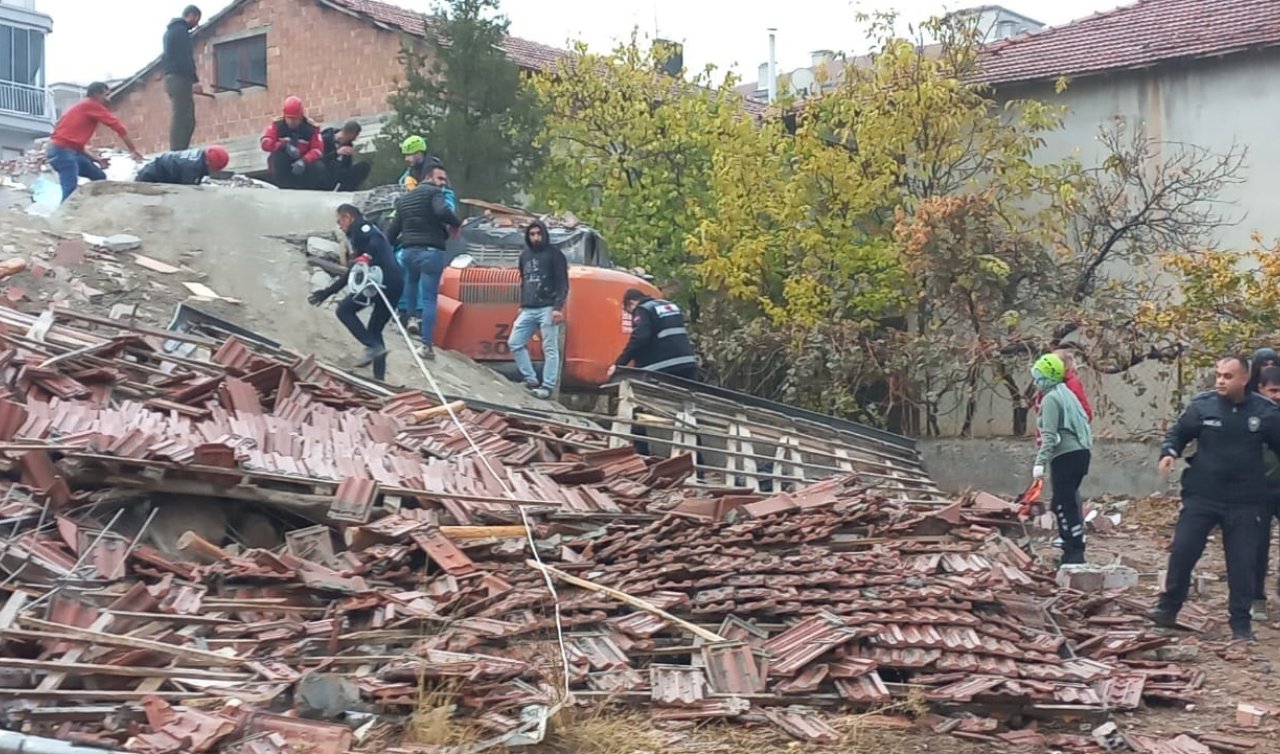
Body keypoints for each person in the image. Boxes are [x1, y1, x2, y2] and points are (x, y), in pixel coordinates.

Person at [1150, 356, 1280, 642]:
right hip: (1203, 496)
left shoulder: (1265, 412)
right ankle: (1167, 609)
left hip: (1246, 501)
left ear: (1244, 379)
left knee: (1242, 563)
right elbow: (1179, 433)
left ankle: (1240, 625)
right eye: (1218, 375)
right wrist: (1169, 452)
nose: (1221, 380)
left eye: (1228, 376)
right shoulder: (1203, 405)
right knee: (1183, 552)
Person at [308, 205, 404, 380]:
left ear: (348, 217)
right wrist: (327, 292)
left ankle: (372, 347)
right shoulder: (362, 238)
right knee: (375, 331)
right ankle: (379, 378)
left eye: (340, 222)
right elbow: (352, 273)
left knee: (343, 310)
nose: (340, 226)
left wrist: (367, 255)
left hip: (380, 281)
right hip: (395, 284)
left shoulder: (360, 227)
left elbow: (374, 240)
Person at [386, 164, 459, 361]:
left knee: (411, 282)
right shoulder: (435, 193)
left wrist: (383, 252)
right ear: (428, 177)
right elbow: (442, 211)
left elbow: (392, 232)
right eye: (440, 178)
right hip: (431, 251)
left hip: (409, 251)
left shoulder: (404, 200)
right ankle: (427, 345)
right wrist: (456, 224)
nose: (443, 183)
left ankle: (411, 318)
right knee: (429, 299)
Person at [1029, 353, 1093, 565]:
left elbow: (1048, 437)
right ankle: (1073, 547)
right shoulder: (1065, 392)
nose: (1035, 382)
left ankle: (1073, 555)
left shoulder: (1051, 399)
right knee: (1064, 503)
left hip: (1065, 457)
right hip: (1081, 453)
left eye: (1037, 377)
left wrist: (1039, 464)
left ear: (1046, 377)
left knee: (1065, 507)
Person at [46, 82, 144, 202]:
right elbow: (118, 127)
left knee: (99, 177)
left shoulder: (81, 108)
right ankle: (65, 217)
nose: (108, 99)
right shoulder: (91, 105)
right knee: (70, 190)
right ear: (97, 94)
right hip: (61, 151)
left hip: (63, 150)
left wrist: (97, 159)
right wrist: (133, 150)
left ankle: (94, 206)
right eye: (105, 95)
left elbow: (76, 145)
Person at [507, 220, 568, 400]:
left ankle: (547, 385)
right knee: (515, 342)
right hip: (528, 308)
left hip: (548, 307)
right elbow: (524, 281)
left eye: (538, 234)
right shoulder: (524, 256)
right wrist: (522, 304)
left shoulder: (555, 254)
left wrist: (558, 307)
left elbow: (563, 282)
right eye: (532, 234)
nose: (535, 237)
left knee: (549, 347)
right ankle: (531, 379)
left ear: (544, 234)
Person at [607, 289, 698, 380]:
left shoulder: (643, 309)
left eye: (630, 312)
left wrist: (619, 365)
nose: (632, 316)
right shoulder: (670, 306)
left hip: (662, 368)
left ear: (631, 303)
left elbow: (640, 338)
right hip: (687, 363)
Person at [1253, 364, 1280, 621]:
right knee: (1257, 547)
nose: (1277, 396)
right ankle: (1256, 598)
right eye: (1273, 390)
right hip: (1257, 489)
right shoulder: (1251, 415)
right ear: (1260, 388)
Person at [260, 96, 324, 189]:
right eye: (288, 118)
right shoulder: (277, 125)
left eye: (294, 119)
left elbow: (318, 150)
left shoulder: (311, 128)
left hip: (303, 165)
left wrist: (304, 160)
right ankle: (283, 188)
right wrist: (284, 146)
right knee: (276, 158)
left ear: (301, 117)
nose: (291, 122)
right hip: (283, 166)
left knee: (318, 166)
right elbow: (265, 143)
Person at [162, 5, 202, 151]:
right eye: (197, 19)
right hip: (180, 78)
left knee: (183, 115)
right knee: (184, 116)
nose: (196, 24)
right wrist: (195, 80)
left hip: (172, 78)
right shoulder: (181, 31)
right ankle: (178, 150)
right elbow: (185, 58)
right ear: (192, 15)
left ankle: (179, 148)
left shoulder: (170, 32)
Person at [318, 120, 372, 191]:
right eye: (354, 136)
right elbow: (319, 161)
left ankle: (347, 190)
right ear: (350, 134)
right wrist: (337, 153)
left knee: (364, 166)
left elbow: (346, 166)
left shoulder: (348, 144)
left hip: (340, 175)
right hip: (326, 175)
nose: (355, 139)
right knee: (331, 165)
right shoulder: (325, 139)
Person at [135, 145, 228, 185]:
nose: (216, 171)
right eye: (216, 169)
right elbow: (187, 194)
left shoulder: (200, 155)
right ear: (208, 162)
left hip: (154, 169)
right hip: (150, 178)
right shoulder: (193, 169)